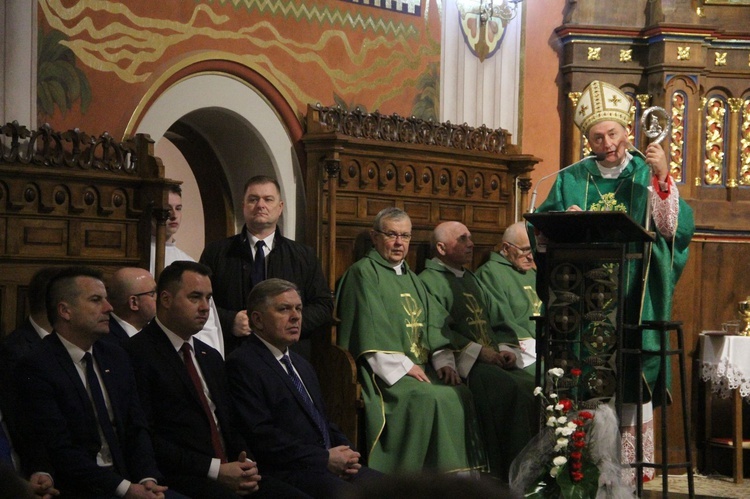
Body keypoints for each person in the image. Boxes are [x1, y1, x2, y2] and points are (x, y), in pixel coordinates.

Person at [532, 80, 695, 480]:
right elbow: (543, 234)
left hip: (632, 295)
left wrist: (662, 178)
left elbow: (674, 230)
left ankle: (629, 473)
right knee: (582, 377)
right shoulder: (574, 177)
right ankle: (581, 467)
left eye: (613, 133)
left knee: (629, 379)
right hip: (582, 298)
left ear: (627, 132)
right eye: (597, 136)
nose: (606, 143)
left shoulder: (644, 170)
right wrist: (564, 222)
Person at [126, 262, 306, 498]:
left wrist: (245, 462)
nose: (205, 307)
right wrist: (215, 470)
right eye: (195, 297)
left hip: (230, 469)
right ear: (166, 299)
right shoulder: (136, 352)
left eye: (208, 298)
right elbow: (146, 435)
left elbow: (231, 421)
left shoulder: (209, 356)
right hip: (183, 475)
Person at [335, 207, 485, 474]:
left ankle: (453, 483)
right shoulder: (363, 274)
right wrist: (405, 366)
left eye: (405, 236)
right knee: (428, 397)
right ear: (375, 236)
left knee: (459, 393)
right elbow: (370, 327)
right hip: (384, 375)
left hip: (420, 367)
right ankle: (411, 481)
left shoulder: (412, 279)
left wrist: (444, 361)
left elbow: (433, 324)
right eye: (391, 234)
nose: (398, 243)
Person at [12, 266, 172, 498]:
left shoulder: (115, 356)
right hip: (79, 488)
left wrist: (147, 478)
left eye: (106, 299)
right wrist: (126, 490)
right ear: (65, 310)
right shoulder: (37, 365)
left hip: (129, 479)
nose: (109, 308)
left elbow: (137, 426)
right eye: (96, 300)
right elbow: (59, 447)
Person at [226, 278, 379, 498]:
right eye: (284, 309)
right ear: (257, 320)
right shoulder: (243, 364)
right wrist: (324, 459)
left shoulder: (301, 364)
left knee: (398, 489)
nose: (296, 316)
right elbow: (262, 436)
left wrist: (348, 452)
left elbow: (321, 421)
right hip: (288, 471)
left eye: (298, 308)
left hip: (325, 464)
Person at [419, 221, 537, 480]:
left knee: (534, 386)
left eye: (470, 238)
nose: (471, 244)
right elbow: (438, 328)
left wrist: (505, 349)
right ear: (440, 247)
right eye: (462, 239)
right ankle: (509, 475)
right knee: (513, 391)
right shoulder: (428, 281)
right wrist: (481, 353)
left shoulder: (470, 278)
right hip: (468, 364)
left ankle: (535, 472)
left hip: (492, 359)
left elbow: (497, 320)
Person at [200, 175, 333, 355]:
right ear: (243, 206)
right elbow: (201, 300)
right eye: (253, 199)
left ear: (280, 208)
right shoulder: (216, 253)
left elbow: (323, 305)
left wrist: (285, 322)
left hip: (289, 355)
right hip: (233, 352)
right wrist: (229, 320)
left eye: (268, 199)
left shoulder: (304, 256)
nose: (260, 205)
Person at [151, 184, 225, 357]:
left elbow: (208, 324)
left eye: (178, 208)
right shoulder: (139, 256)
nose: (173, 215)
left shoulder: (187, 262)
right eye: (167, 209)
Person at [475, 221, 542, 375]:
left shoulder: (532, 273)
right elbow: (501, 318)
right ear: (506, 248)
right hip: (518, 350)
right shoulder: (490, 273)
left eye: (533, 249)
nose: (531, 257)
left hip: (541, 348)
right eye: (525, 250)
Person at [106, 267, 158, 342]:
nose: (158, 298)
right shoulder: (105, 342)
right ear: (134, 303)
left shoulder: (153, 333)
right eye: (153, 293)